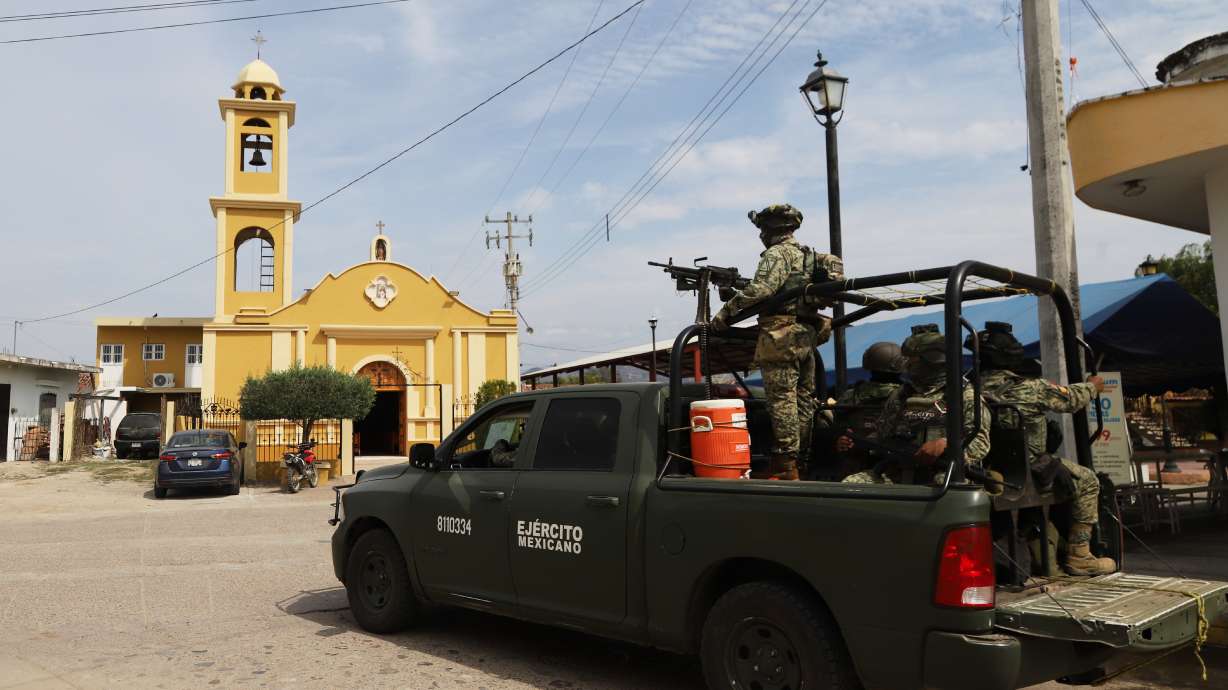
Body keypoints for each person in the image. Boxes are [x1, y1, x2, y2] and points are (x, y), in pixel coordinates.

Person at [970, 321, 1116, 576]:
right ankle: (1080, 554)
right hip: (1029, 468)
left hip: (986, 468)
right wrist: (1093, 386)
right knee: (1089, 480)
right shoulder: (1030, 388)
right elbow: (1070, 399)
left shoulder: (967, 390)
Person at [710, 203, 843, 480]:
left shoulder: (777, 253)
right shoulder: (806, 255)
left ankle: (785, 466)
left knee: (781, 401)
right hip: (805, 335)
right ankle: (800, 462)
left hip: (781, 336)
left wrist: (725, 313)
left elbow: (762, 289)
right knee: (803, 401)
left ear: (767, 230)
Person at [841, 324, 996, 489]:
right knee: (850, 486)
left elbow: (980, 442)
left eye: (912, 359)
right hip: (899, 474)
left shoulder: (964, 396)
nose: (906, 364)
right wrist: (855, 442)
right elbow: (882, 436)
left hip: (947, 474)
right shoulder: (901, 395)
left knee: (940, 488)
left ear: (932, 360)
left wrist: (947, 444)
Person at [825, 342, 904, 478]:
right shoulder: (907, 395)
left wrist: (841, 438)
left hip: (855, 465)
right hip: (894, 467)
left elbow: (838, 428)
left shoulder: (851, 395)